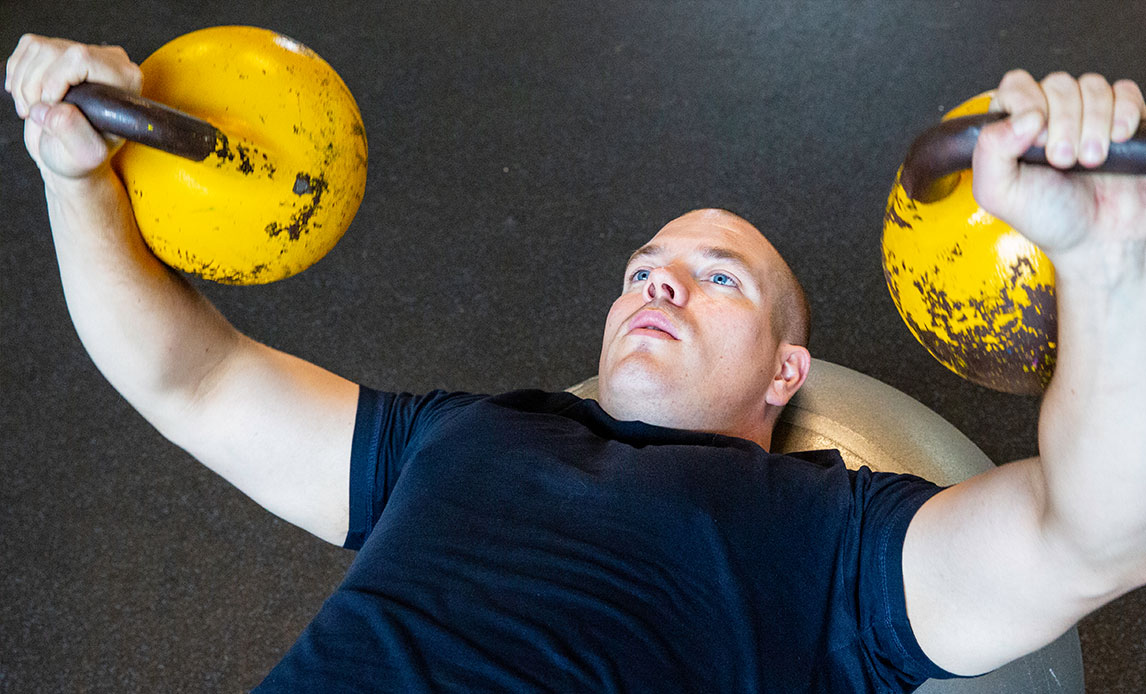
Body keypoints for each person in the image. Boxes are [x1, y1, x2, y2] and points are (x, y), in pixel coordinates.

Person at [6, 34, 1146, 692]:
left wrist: (1103, 261)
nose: (660, 280)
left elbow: (1089, 535)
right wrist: (76, 175)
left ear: (786, 373)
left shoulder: (836, 537)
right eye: (646, 266)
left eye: (720, 276)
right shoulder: (462, 434)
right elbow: (188, 379)